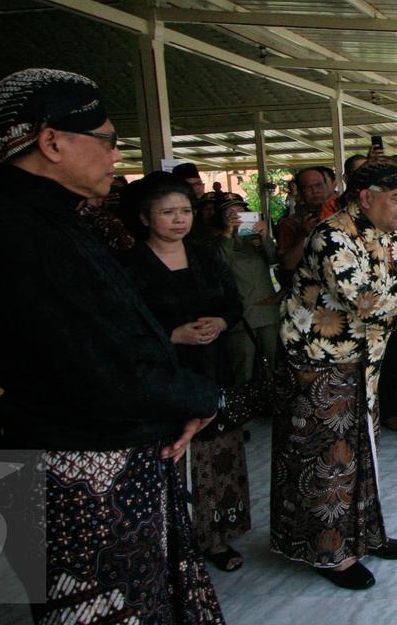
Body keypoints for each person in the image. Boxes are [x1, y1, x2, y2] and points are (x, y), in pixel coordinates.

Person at [0, 68, 224, 623]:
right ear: (51, 142)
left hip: (87, 458)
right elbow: (103, 371)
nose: (116, 156)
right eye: (108, 141)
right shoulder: (21, 235)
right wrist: (201, 396)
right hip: (82, 476)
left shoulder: (39, 221)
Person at [270, 160, 397, 591]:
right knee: (328, 462)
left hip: (363, 362)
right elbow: (362, 300)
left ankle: (364, 535)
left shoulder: (392, 234)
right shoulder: (332, 235)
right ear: (366, 197)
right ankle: (330, 554)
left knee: (362, 455)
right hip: (319, 365)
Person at [121, 172, 251, 572]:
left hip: (212, 367)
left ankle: (215, 538)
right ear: (144, 217)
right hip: (164, 373)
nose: (179, 220)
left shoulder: (207, 254)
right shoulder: (128, 265)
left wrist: (221, 323)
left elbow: (233, 302)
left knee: (218, 454)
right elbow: (121, 326)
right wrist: (171, 335)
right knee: (171, 455)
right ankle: (171, 540)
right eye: (167, 212)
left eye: (185, 211)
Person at [214, 193, 282, 404]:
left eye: (240, 211)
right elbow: (220, 265)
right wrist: (227, 233)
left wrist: (264, 237)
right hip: (241, 315)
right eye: (229, 212)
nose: (236, 215)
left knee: (274, 363)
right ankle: (242, 410)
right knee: (243, 365)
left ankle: (274, 404)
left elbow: (274, 259)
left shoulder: (253, 240)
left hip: (267, 311)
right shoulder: (219, 242)